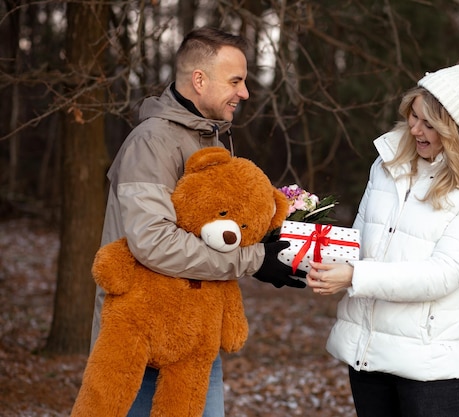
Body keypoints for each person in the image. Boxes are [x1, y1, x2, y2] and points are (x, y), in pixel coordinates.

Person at [90, 27, 306, 417]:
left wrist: (274, 240)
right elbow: (153, 242)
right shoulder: (152, 143)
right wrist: (253, 260)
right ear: (199, 79)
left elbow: (213, 225)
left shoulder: (210, 138)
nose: (244, 93)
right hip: (144, 338)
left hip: (195, 334)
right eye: (236, 81)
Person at [306, 61, 459, 417]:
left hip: (429, 365)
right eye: (413, 115)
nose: (415, 128)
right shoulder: (388, 163)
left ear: (454, 128)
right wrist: (310, 250)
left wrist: (356, 276)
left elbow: (444, 274)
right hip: (368, 354)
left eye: (429, 124)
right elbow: (361, 239)